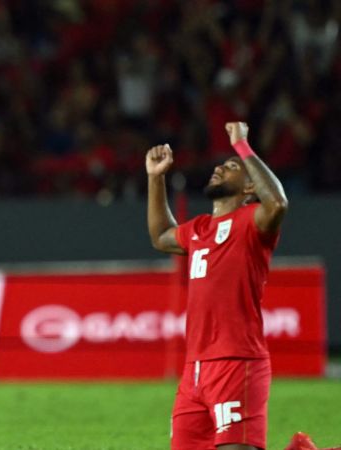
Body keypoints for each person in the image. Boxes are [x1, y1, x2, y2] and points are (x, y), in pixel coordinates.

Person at [146, 122, 288, 450]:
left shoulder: (253, 222)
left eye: (232, 166)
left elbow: (278, 204)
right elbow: (160, 236)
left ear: (250, 186)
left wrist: (242, 145)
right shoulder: (199, 230)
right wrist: (156, 178)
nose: (220, 167)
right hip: (194, 369)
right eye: (221, 164)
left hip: (238, 362)